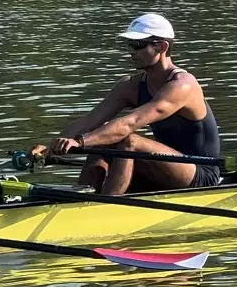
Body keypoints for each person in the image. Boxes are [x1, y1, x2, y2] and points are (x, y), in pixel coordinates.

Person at [33, 13, 220, 194]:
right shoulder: (130, 86)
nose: (131, 51)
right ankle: (84, 197)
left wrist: (81, 142)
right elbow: (90, 121)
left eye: (138, 45)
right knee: (102, 136)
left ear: (162, 47)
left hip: (200, 173)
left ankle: (106, 204)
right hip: (163, 167)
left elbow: (129, 123)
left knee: (126, 139)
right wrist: (51, 149)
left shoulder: (183, 85)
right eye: (129, 44)